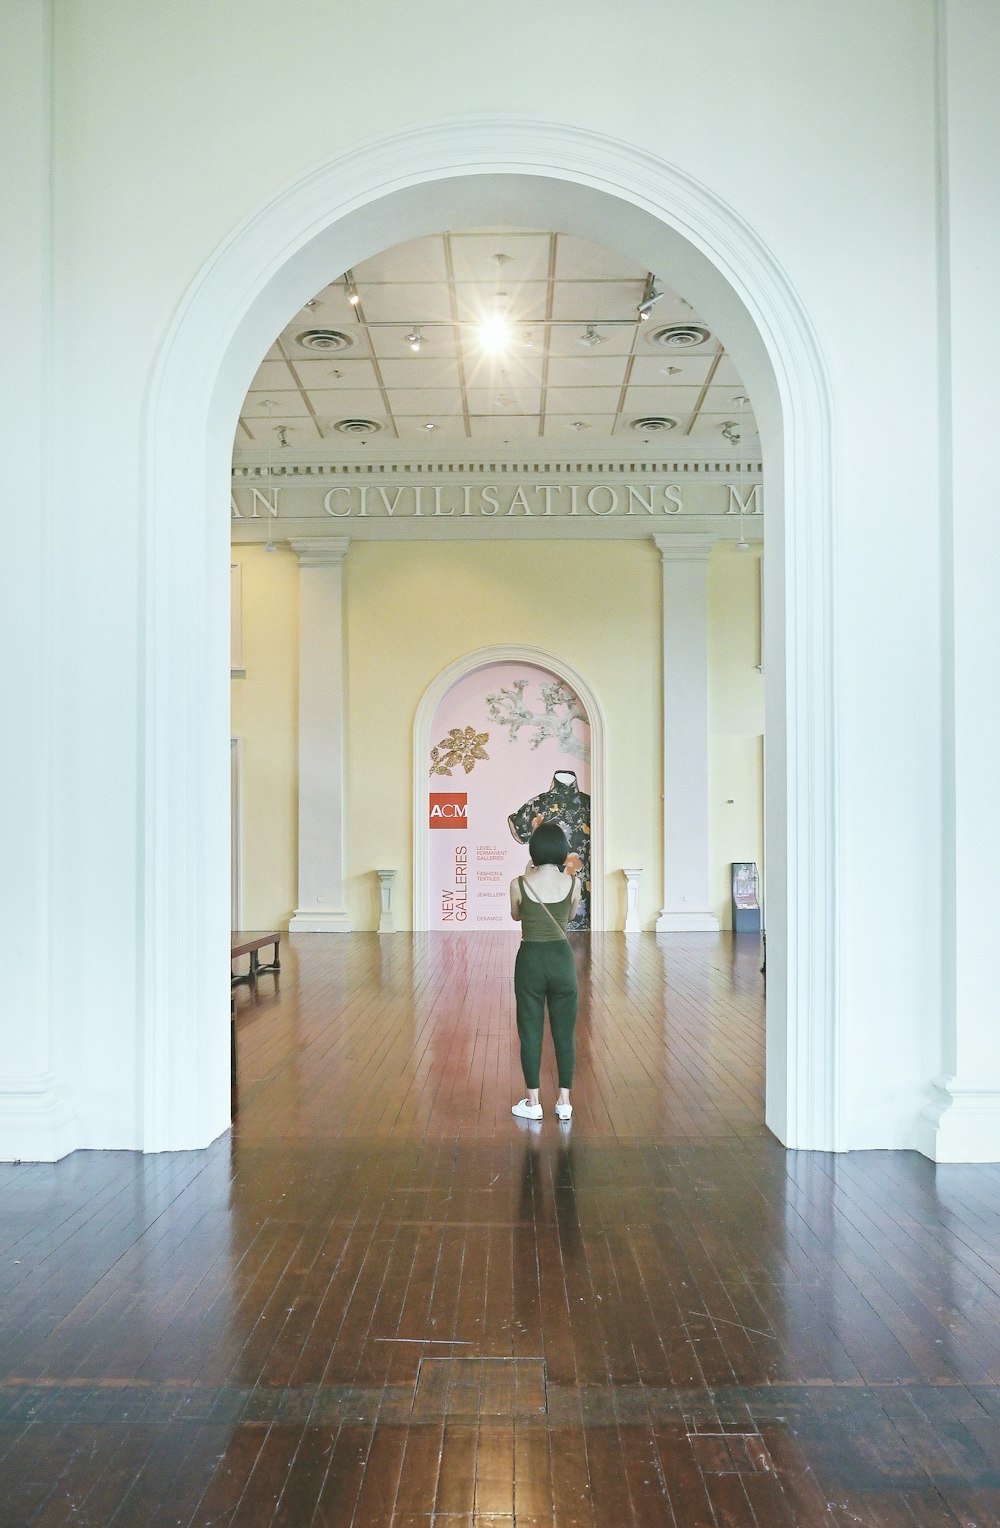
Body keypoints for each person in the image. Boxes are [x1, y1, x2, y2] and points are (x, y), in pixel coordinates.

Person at [509, 821, 581, 1122]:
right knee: (565, 1032)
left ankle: (533, 1101)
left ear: (534, 849)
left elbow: (516, 914)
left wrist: (528, 874)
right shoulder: (573, 883)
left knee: (530, 1032)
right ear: (563, 851)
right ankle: (564, 1102)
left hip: (530, 960)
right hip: (562, 961)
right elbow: (571, 914)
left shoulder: (519, 883)